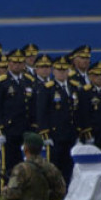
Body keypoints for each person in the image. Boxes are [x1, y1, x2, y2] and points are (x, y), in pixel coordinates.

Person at [35, 56, 84, 186]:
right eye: (59, 70)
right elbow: (41, 113)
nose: (62, 73)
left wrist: (79, 132)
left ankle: (66, 189)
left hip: (70, 133)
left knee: (69, 164)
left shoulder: (74, 87)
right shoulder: (47, 88)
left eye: (64, 70)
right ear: (54, 71)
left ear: (68, 71)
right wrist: (45, 134)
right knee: (54, 166)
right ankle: (53, 190)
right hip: (55, 134)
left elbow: (78, 112)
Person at [0, 49, 36, 186]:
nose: (17, 65)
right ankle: (7, 188)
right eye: (14, 62)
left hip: (26, 128)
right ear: (9, 63)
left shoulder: (28, 80)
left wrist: (34, 126)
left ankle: (24, 186)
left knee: (27, 162)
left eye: (20, 62)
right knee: (10, 162)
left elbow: (33, 106)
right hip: (9, 129)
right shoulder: (1, 82)